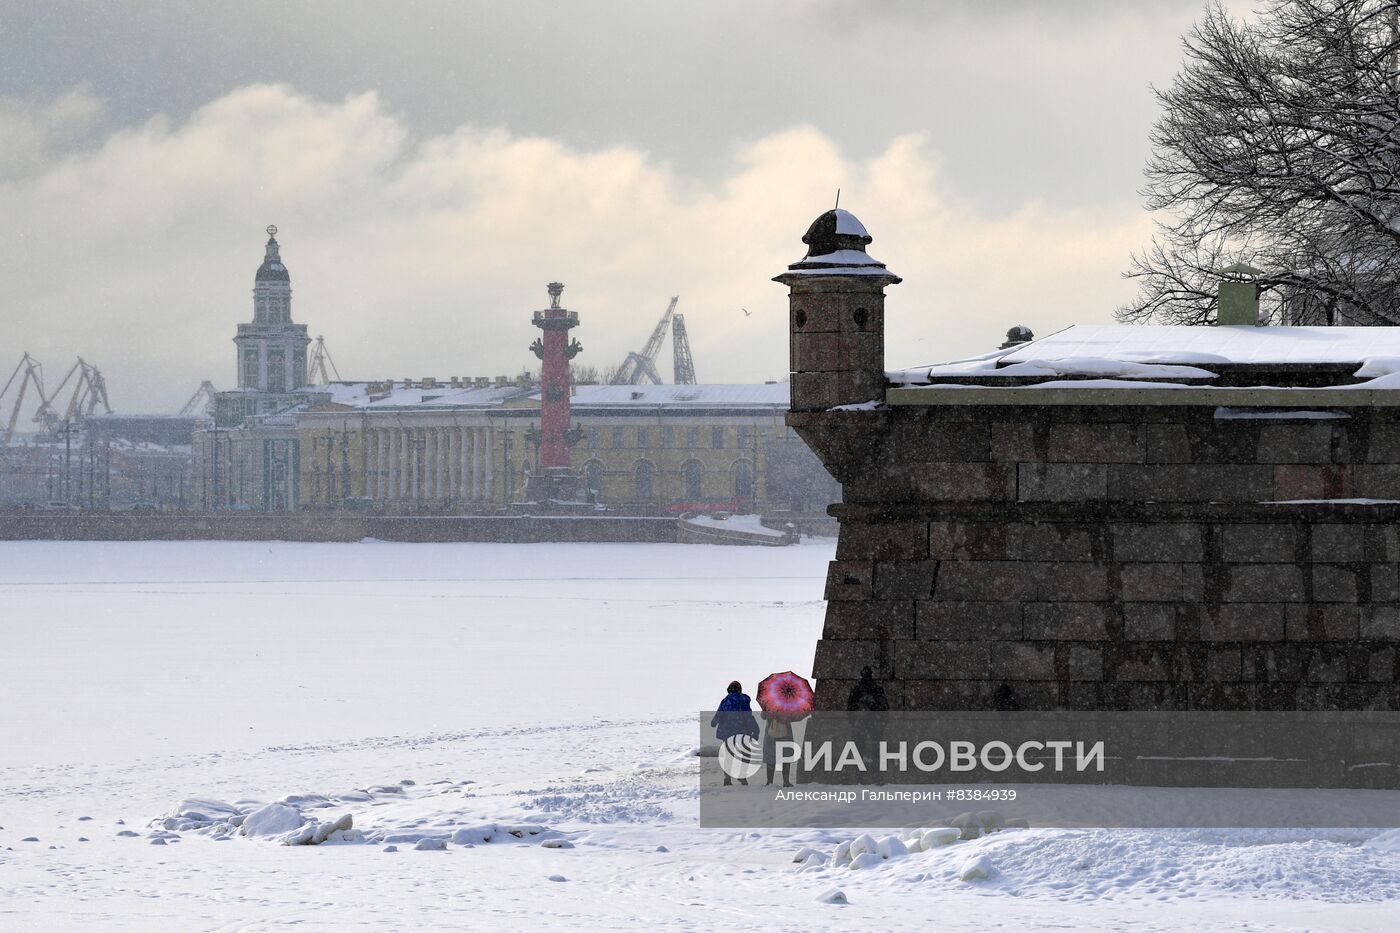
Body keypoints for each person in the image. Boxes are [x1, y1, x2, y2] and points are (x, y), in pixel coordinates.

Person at [710, 680, 759, 786]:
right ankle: (742, 777)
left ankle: (727, 778)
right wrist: (755, 729)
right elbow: (748, 717)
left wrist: (714, 722)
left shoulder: (725, 701)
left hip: (727, 734)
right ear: (739, 690)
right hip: (742, 733)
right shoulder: (743, 701)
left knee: (728, 756)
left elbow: (718, 716)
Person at [847, 666, 889, 782]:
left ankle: (859, 777)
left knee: (859, 750)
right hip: (873, 722)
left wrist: (854, 719)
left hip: (862, 723)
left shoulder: (857, 689)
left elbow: (849, 708)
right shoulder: (877, 689)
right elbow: (885, 707)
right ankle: (876, 776)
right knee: (876, 751)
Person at [761, 712, 797, 787]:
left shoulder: (769, 703)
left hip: (771, 733)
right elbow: (793, 717)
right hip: (785, 733)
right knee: (785, 757)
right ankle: (786, 781)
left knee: (771, 757)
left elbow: (763, 716)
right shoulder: (787, 704)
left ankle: (769, 781)